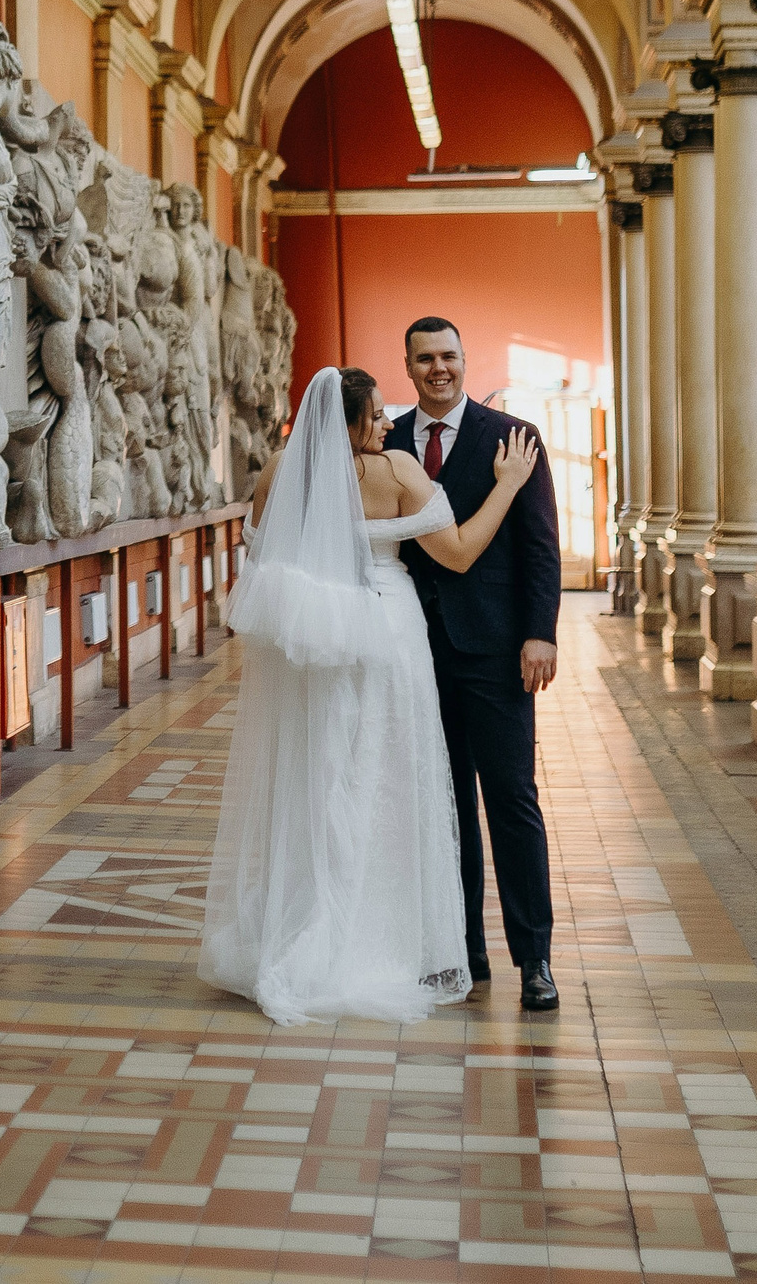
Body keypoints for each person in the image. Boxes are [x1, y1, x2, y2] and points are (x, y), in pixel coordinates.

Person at [202, 366, 538, 1026]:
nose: (388, 424)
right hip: (387, 636)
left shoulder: (280, 472)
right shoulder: (399, 471)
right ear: (350, 422)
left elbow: (262, 560)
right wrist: (508, 485)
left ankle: (308, 921)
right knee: (388, 777)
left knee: (321, 774)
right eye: (377, 415)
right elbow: (462, 552)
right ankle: (383, 935)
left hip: (317, 646)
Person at [385, 317, 565, 1011]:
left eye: (450, 356)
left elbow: (540, 545)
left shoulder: (512, 438)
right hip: (415, 652)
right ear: (408, 366)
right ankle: (462, 950)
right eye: (426, 358)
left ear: (466, 359)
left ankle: (535, 958)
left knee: (512, 803)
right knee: (445, 806)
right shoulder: (388, 441)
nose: (440, 368)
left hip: (495, 650)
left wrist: (539, 632)